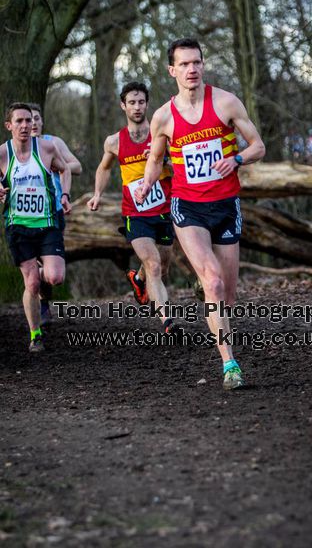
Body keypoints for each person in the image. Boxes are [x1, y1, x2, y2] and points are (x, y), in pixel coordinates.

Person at [136, 38, 265, 390]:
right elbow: (155, 159)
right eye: (184, 64)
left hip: (226, 206)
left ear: (203, 65)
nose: (192, 69)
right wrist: (147, 184)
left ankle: (208, 291)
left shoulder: (225, 102)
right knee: (214, 281)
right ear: (172, 70)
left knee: (228, 294)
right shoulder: (163, 116)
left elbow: (258, 146)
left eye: (197, 62)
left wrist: (236, 158)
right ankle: (230, 364)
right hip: (188, 206)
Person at [87, 81, 176, 332]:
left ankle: (138, 280)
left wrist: (161, 159)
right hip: (135, 212)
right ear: (123, 106)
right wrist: (97, 194)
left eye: (141, 102)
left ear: (147, 104)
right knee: (154, 264)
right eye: (132, 103)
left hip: (164, 209)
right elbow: (104, 168)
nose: (137, 107)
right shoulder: (114, 141)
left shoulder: (162, 135)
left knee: (163, 264)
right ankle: (167, 321)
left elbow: (178, 167)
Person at [0, 103, 72, 352]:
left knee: (55, 277)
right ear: (9, 125)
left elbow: (65, 170)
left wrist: (65, 195)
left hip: (47, 223)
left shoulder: (47, 148)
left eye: (28, 120)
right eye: (18, 121)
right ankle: (35, 334)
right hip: (18, 226)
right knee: (31, 284)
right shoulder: (3, 153)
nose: (24, 125)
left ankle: (41, 269)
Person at [29, 103, 82, 324]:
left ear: (42, 122)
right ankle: (41, 306)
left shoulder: (53, 143)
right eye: (27, 119)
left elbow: (76, 166)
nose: (32, 123)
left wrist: (58, 165)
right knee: (35, 262)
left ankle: (43, 301)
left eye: (37, 118)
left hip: (53, 211)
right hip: (26, 214)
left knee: (49, 267)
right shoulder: (14, 148)